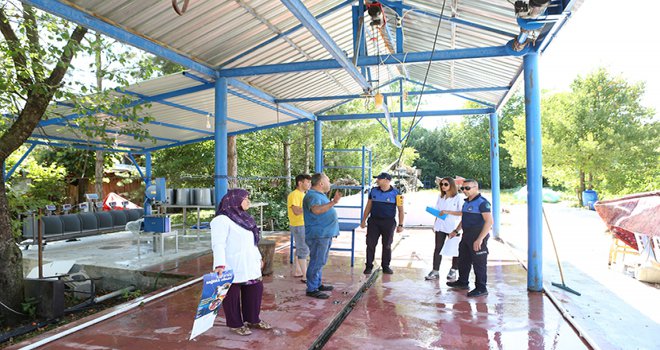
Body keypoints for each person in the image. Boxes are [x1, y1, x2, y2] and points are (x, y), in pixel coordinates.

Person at [211, 189, 272, 336]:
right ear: (235, 200)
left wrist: (259, 258)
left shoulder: (245, 218)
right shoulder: (221, 220)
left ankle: (253, 319)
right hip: (232, 263)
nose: (248, 202)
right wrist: (219, 265)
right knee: (231, 294)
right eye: (245, 199)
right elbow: (218, 244)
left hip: (250, 262)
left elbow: (252, 242)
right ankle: (235, 324)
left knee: (255, 290)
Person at [446, 179, 494, 297]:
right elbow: (464, 219)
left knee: (479, 262)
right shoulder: (466, 202)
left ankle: (481, 288)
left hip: (477, 235)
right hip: (466, 235)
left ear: (476, 188)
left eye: (467, 188)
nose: (464, 191)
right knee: (463, 260)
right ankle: (463, 282)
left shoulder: (482, 203)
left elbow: (489, 222)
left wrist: (480, 239)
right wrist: (456, 230)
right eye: (463, 188)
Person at [303, 173, 342, 299]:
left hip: (324, 234)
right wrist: (333, 203)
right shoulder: (312, 196)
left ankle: (317, 284)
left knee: (320, 260)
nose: (329, 182)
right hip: (318, 234)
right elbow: (316, 210)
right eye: (328, 180)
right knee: (317, 260)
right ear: (320, 183)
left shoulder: (319, 195)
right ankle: (312, 288)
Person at [360, 172, 404, 275]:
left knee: (387, 245)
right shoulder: (373, 191)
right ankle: (369, 266)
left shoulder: (397, 193)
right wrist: (363, 220)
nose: (377, 181)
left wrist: (400, 225)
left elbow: (401, 210)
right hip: (374, 221)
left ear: (387, 180)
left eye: (379, 179)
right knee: (370, 244)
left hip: (388, 222)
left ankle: (386, 266)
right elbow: (368, 206)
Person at [425, 177, 463, 281]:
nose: (443, 186)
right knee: (438, 248)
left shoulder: (458, 197)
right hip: (440, 226)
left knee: (455, 249)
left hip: (453, 226)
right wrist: (435, 223)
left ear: (451, 185)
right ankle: (435, 270)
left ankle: (454, 269)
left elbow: (462, 213)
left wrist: (448, 212)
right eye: (441, 184)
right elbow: (437, 211)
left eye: (446, 184)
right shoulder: (441, 197)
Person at [287, 174, 311, 282]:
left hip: (302, 224)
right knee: (303, 249)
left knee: (301, 247)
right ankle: (306, 276)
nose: (309, 184)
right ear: (300, 183)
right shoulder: (294, 194)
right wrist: (310, 209)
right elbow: (296, 211)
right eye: (307, 182)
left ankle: (298, 270)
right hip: (298, 224)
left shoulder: (303, 194)